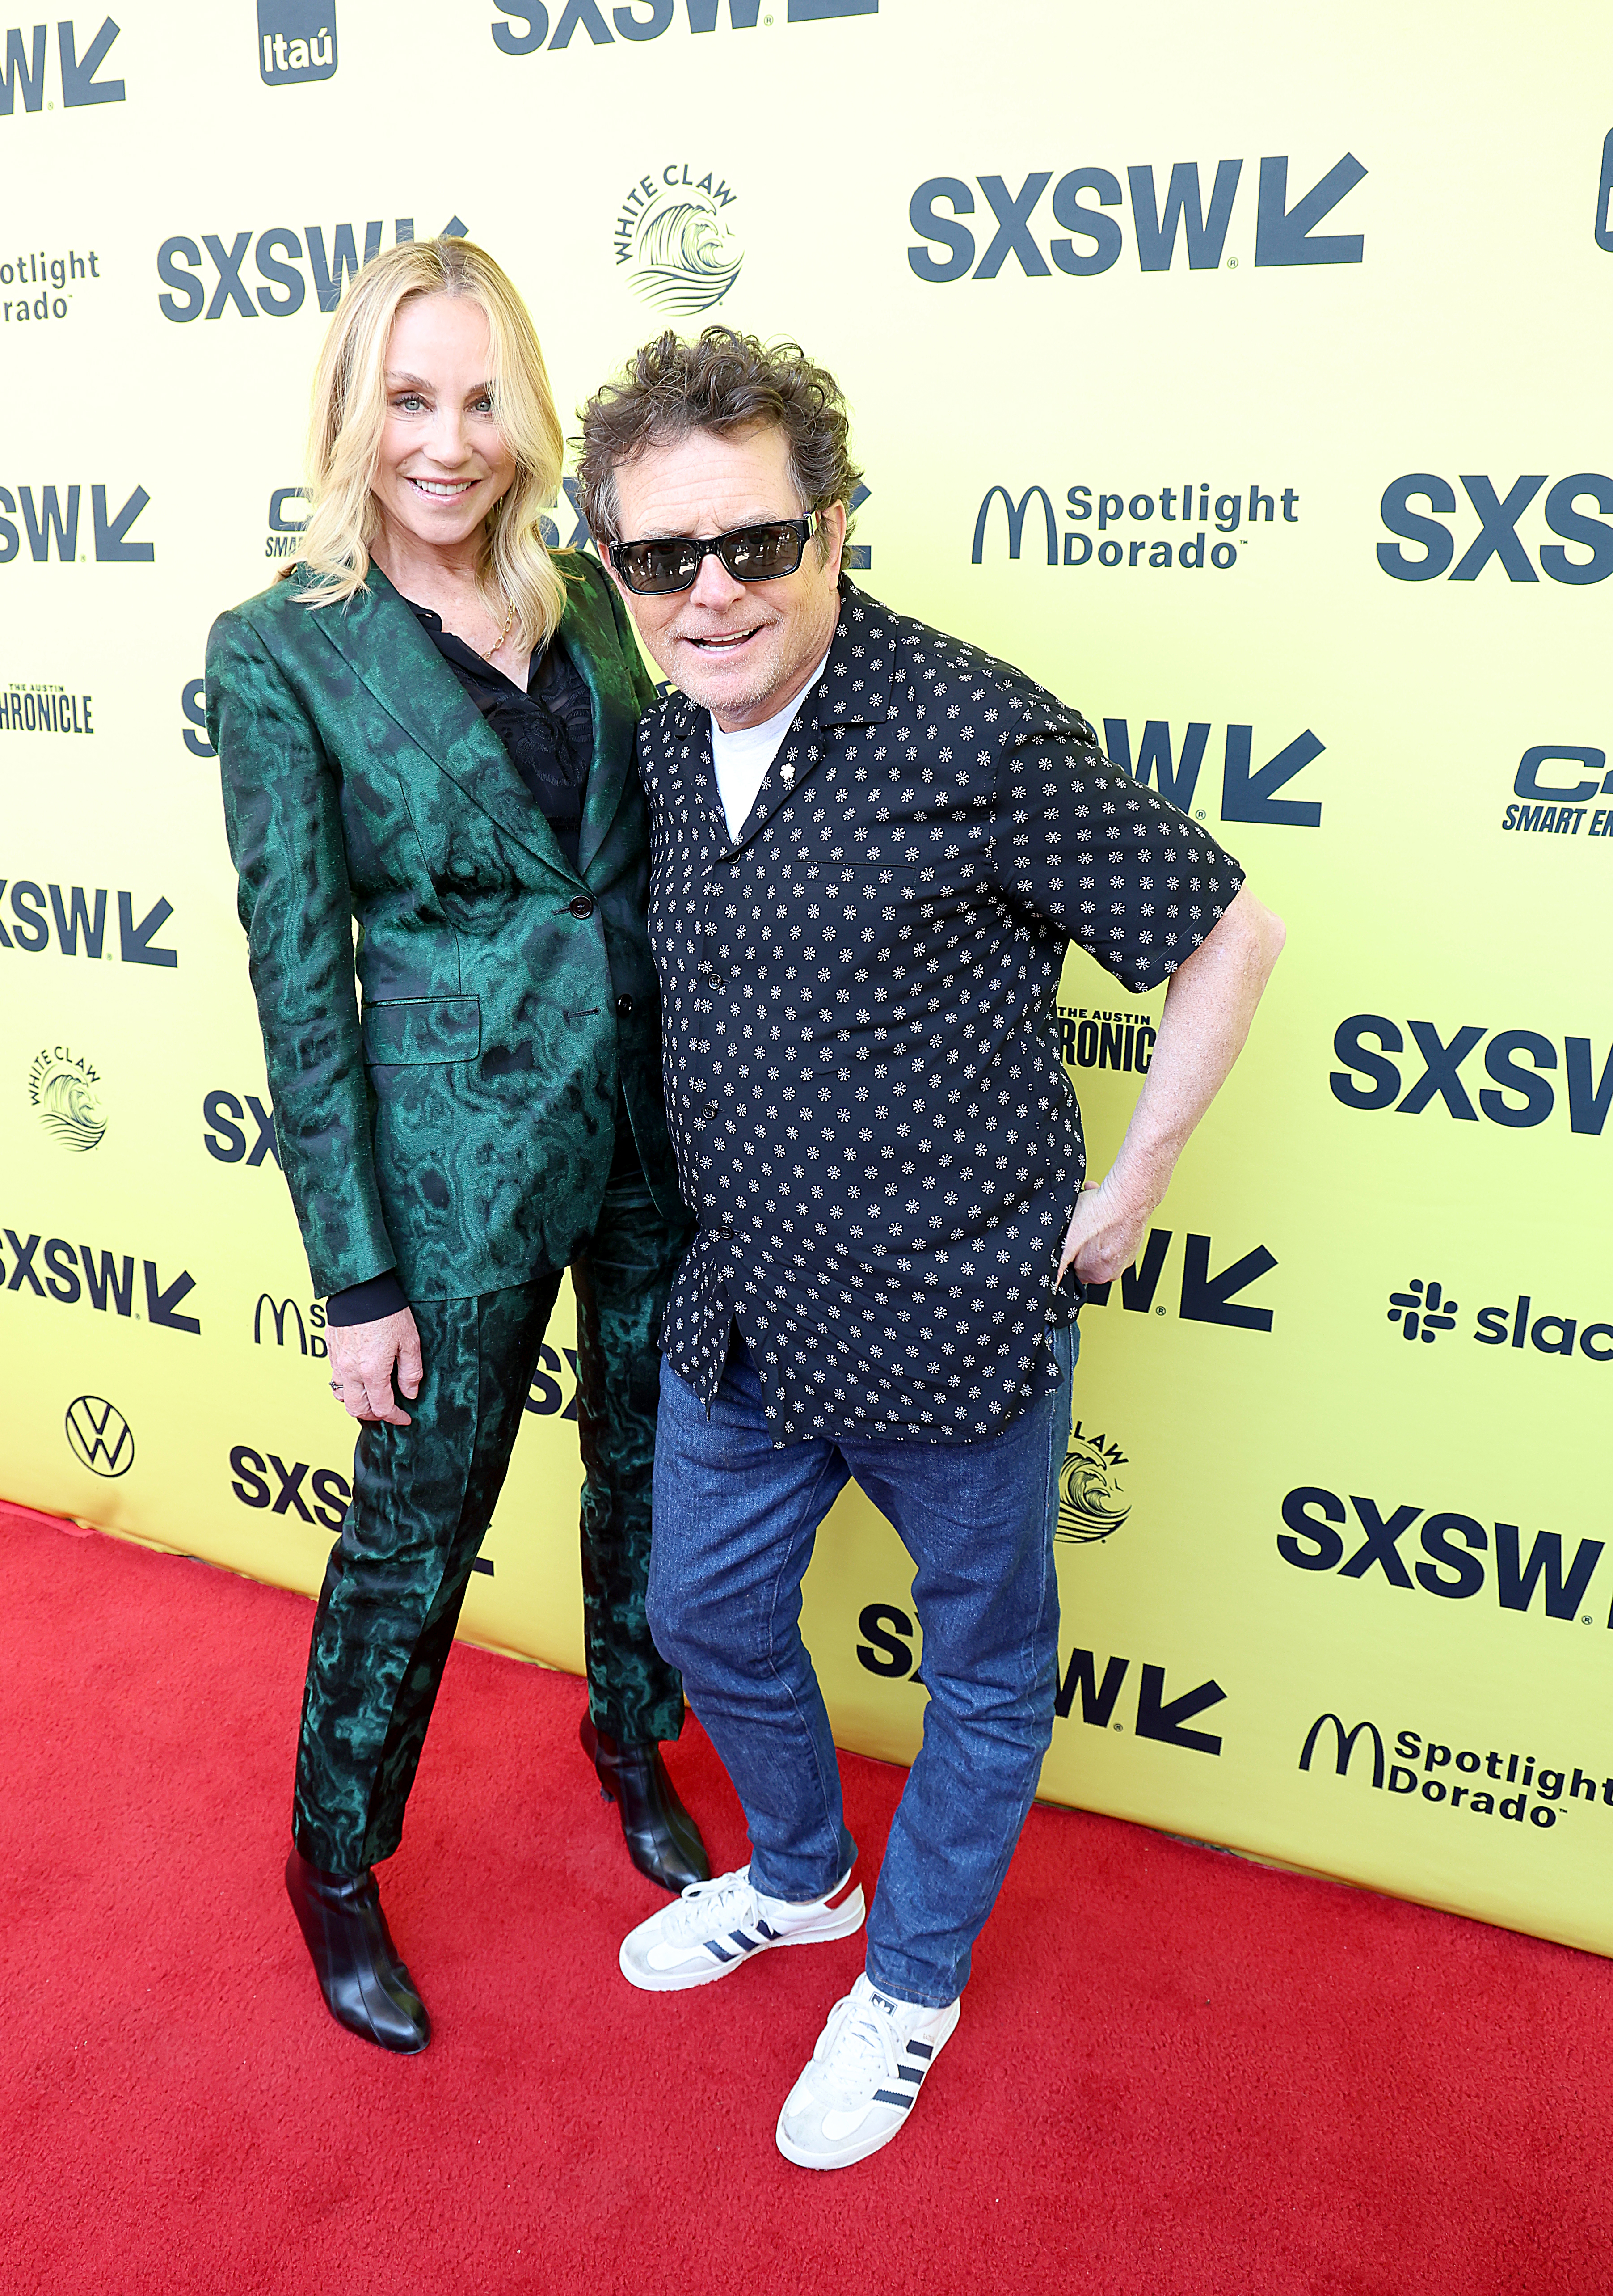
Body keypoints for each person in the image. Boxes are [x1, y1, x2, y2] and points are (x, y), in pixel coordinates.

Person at [574, 328, 1285, 2165]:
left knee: (982, 1669)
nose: (710, 592)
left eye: (756, 543)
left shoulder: (978, 728)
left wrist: (1123, 1197)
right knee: (702, 1614)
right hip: (746, 1309)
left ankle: (907, 1980)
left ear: (835, 526)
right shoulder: (662, 737)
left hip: (959, 1318)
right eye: (662, 560)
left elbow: (1229, 932)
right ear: (616, 571)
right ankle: (802, 1879)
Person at [206, 241, 708, 2057]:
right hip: (447, 1176)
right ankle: (334, 1858)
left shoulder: (595, 599)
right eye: (410, 399)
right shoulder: (281, 651)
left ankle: (628, 1738)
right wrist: (357, 1275)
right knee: (418, 1534)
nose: (447, 440)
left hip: (658, 1130)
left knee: (652, 1474)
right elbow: (293, 980)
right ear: (354, 410)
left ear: (527, 411)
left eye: (482, 398)